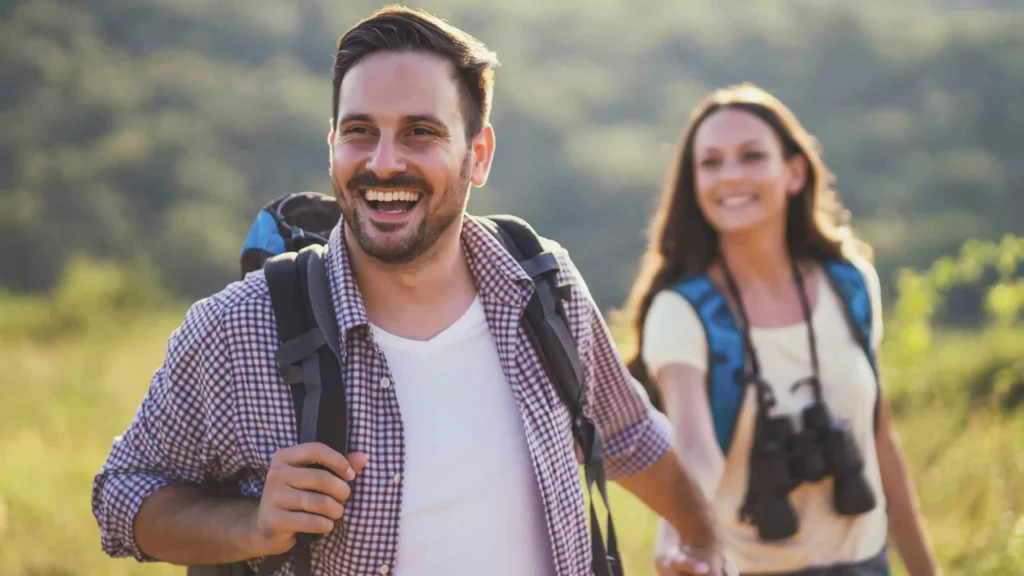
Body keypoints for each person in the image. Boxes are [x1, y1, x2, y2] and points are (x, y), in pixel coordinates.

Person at [91, 6, 730, 576]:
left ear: (478, 155)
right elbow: (122, 497)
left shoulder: (545, 286)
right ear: (333, 143)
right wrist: (252, 526)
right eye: (360, 130)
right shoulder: (237, 328)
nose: (385, 161)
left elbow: (627, 434)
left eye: (421, 132)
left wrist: (705, 540)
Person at [620, 83, 940, 576]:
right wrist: (678, 528)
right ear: (692, 183)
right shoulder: (680, 311)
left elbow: (879, 438)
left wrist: (925, 569)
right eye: (710, 163)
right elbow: (695, 446)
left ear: (794, 172)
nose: (731, 176)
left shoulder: (848, 284)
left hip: (866, 562)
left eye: (751, 156)